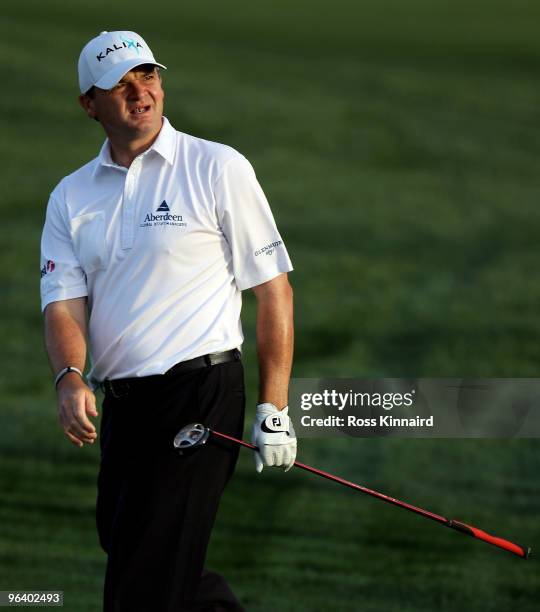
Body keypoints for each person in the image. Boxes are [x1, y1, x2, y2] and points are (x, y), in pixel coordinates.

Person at [40, 30, 296, 612]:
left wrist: (274, 408)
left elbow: (274, 290)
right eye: (121, 85)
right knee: (135, 547)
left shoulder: (216, 166)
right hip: (125, 406)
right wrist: (69, 376)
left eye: (148, 76)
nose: (141, 93)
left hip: (200, 395)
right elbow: (62, 301)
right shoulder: (70, 196)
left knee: (141, 586)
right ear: (89, 104)